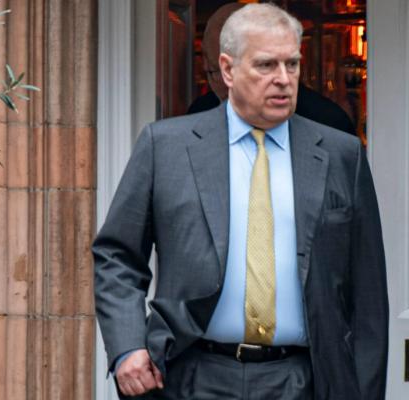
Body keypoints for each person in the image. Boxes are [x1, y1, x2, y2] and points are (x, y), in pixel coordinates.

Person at [93, 4, 388, 400]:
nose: (283, 79)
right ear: (227, 70)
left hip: (302, 379)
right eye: (266, 65)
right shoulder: (166, 147)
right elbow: (117, 255)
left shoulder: (341, 155)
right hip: (190, 375)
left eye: (292, 64)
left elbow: (368, 297)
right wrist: (128, 346)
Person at [188, 3, 357, 137]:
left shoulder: (328, 124)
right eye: (219, 72)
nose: (232, 85)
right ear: (205, 65)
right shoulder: (198, 118)